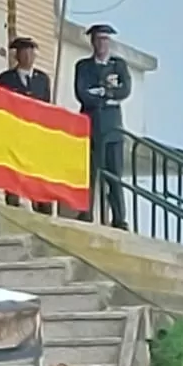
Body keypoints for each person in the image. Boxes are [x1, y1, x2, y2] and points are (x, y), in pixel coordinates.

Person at [73, 23, 131, 228]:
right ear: (92, 42)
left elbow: (125, 90)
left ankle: (119, 217)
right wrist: (103, 98)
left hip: (113, 128)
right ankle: (85, 212)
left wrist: (105, 93)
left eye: (106, 40)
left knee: (115, 175)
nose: (102, 44)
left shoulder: (118, 65)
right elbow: (82, 93)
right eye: (99, 40)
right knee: (89, 172)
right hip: (91, 124)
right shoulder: (84, 66)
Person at [0, 37, 53, 210]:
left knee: (39, 172)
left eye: (30, 52)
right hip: (15, 131)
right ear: (17, 55)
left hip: (36, 132)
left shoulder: (42, 79)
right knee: (13, 170)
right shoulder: (6, 78)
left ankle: (42, 205)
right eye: (23, 52)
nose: (27, 56)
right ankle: (13, 201)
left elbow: (46, 105)